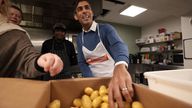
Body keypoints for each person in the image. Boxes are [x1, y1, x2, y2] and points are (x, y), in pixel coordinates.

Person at [74, 0, 134, 108]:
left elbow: (118, 45)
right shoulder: (79, 38)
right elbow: (82, 62)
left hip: (114, 81)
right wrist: (91, 82)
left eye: (87, 8)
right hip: (93, 86)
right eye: (80, 9)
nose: (84, 11)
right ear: (76, 16)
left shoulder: (105, 29)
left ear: (92, 12)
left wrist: (120, 65)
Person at [0, 0, 63, 78]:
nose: (14, 17)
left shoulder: (17, 34)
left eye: (18, 16)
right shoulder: (47, 43)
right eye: (11, 14)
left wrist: (40, 61)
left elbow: (29, 58)